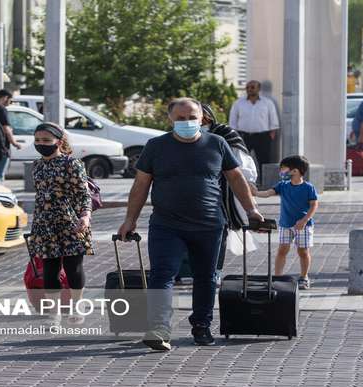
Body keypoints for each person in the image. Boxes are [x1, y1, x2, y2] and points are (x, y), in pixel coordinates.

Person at [118, 97, 263, 351]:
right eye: (181, 118)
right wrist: (130, 220)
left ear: (202, 118)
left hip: (209, 226)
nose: (187, 122)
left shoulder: (217, 144)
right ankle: (159, 328)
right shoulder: (156, 146)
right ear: (170, 119)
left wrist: (252, 210)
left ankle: (201, 326)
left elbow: (236, 178)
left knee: (206, 278)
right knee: (163, 275)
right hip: (166, 225)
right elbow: (141, 185)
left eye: (192, 117)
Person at [29, 122, 92, 326]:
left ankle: (77, 306)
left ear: (59, 141)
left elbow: (84, 194)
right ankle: (53, 314)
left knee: (73, 267)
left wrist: (85, 216)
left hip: (71, 221)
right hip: (44, 223)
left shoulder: (72, 164)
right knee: (49, 269)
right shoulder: (36, 165)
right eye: (38, 140)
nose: (41, 144)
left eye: (46, 140)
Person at [200, 103, 258, 286]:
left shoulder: (224, 134)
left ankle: (214, 270)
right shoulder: (177, 137)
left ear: (206, 116)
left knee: (218, 232)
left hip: (221, 193)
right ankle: (187, 272)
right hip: (191, 194)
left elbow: (240, 166)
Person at [252, 155, 318, 289]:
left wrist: (304, 220)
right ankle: (277, 278)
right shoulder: (282, 186)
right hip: (285, 224)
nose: (281, 171)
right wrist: (255, 193)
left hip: (303, 226)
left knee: (303, 252)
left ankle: (304, 277)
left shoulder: (308, 187)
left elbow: (314, 205)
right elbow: (268, 193)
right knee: (282, 250)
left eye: (284, 169)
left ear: (295, 171)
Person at [229, 80, 280, 182]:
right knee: (241, 159)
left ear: (258, 89)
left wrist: (271, 135)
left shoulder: (267, 103)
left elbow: (273, 119)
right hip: (243, 136)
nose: (249, 89)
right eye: (247, 87)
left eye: (252, 87)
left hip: (263, 136)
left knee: (264, 160)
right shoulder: (239, 103)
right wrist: (235, 134)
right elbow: (233, 120)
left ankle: (263, 182)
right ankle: (242, 182)